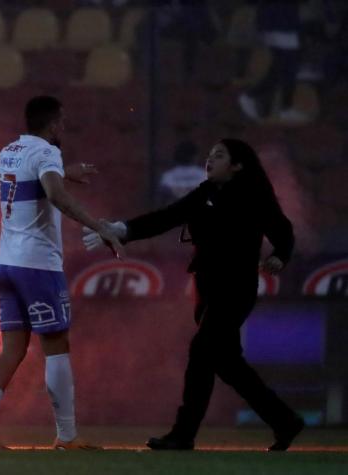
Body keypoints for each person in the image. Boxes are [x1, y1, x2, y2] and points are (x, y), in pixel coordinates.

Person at [83, 138, 305, 451]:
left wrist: (281, 255)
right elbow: (166, 217)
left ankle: (183, 434)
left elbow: (283, 230)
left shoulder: (253, 194)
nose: (209, 159)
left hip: (236, 286)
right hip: (207, 286)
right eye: (210, 154)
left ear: (238, 165)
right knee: (228, 365)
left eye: (219, 155)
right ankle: (285, 421)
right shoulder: (205, 192)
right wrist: (121, 229)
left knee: (202, 352)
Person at [0, 96, 124, 450]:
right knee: (56, 346)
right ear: (53, 124)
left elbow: (35, 180)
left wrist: (67, 172)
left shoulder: (8, 151)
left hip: (6, 263)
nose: (63, 129)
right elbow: (54, 194)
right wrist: (99, 226)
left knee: (13, 350)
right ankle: (67, 436)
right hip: (38, 265)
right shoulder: (48, 153)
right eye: (62, 122)